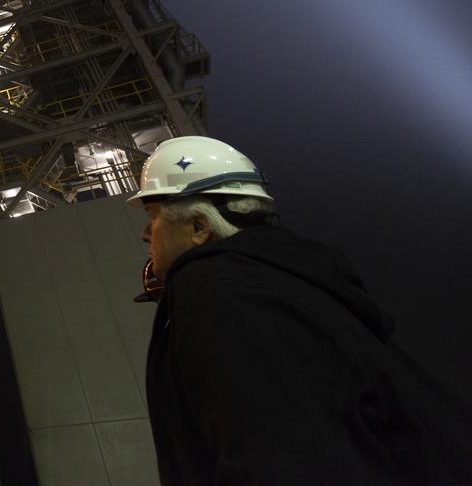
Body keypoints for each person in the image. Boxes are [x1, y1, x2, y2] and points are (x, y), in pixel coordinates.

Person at [131, 135, 472, 485]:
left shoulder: (220, 289)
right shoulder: (289, 281)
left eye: (152, 215)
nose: (146, 233)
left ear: (199, 227)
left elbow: (281, 458)